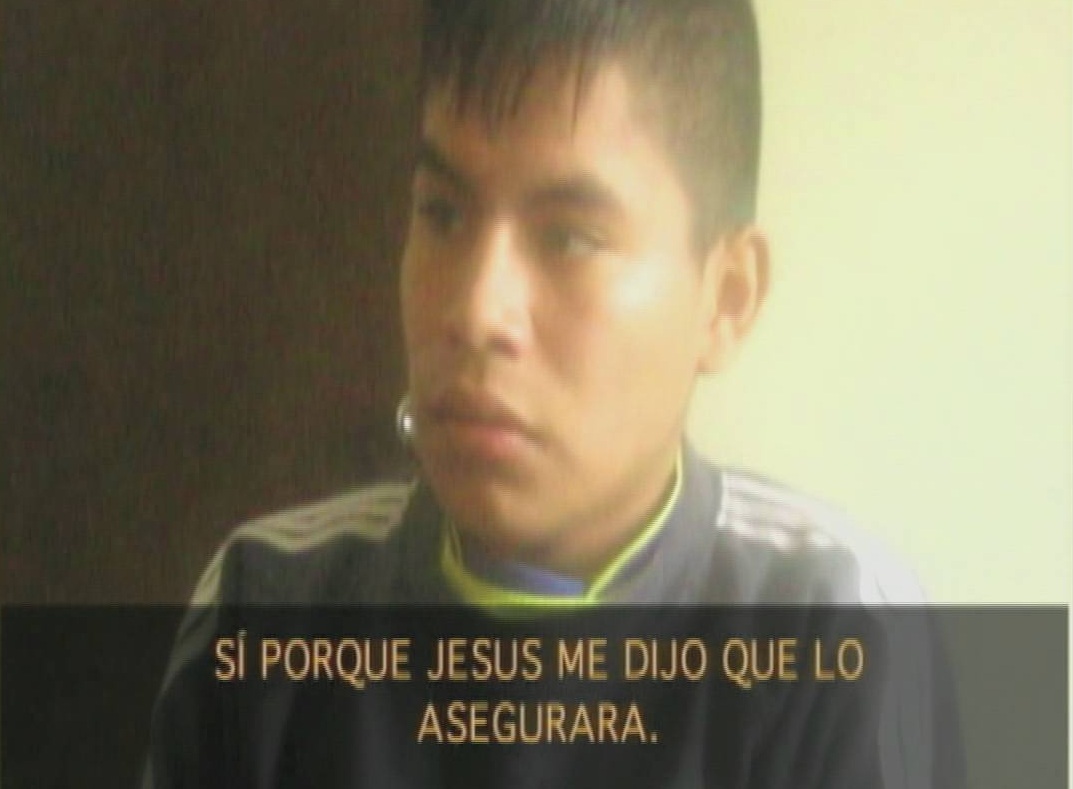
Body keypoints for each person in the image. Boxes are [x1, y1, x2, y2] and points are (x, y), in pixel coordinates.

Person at [144, 1, 965, 786]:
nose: (475, 310)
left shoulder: (834, 631)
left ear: (724, 298)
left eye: (568, 238)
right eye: (442, 214)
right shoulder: (265, 605)